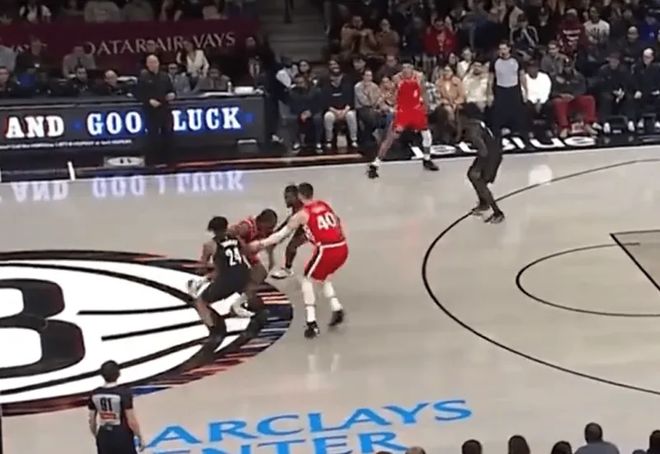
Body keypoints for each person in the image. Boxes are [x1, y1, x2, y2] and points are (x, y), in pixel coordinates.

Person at [254, 183, 347, 339]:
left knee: (306, 280)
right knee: (322, 277)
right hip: (342, 246)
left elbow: (280, 235)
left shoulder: (302, 214)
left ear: (299, 196)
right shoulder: (324, 204)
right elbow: (336, 221)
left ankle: (311, 323)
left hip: (326, 250)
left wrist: (260, 244)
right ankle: (336, 308)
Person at [367, 59, 439, 179]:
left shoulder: (419, 77)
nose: (406, 70)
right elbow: (391, 92)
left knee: (427, 135)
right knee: (391, 137)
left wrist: (426, 106)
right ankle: (375, 164)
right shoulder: (397, 78)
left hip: (416, 110)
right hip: (403, 112)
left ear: (412, 68)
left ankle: (427, 159)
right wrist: (382, 99)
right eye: (404, 67)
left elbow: (423, 92)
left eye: (408, 67)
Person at [190, 216, 252, 334]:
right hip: (244, 275)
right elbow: (245, 251)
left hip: (227, 280)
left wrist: (203, 269)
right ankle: (239, 304)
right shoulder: (236, 238)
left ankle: (213, 330)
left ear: (212, 230)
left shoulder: (210, 245)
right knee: (221, 270)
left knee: (201, 302)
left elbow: (202, 267)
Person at [88, 360, 144, 454]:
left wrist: (96, 435)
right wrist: (139, 436)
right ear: (118, 374)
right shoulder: (123, 393)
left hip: (104, 433)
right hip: (121, 434)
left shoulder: (95, 394)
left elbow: (91, 419)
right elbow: (131, 420)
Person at [462, 104, 505, 224]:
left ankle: (497, 212)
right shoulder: (478, 123)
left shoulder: (472, 129)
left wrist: (478, 168)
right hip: (494, 151)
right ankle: (483, 203)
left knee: (477, 178)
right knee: (474, 177)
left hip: (491, 155)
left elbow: (483, 151)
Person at [228, 209, 278, 300]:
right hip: (234, 251)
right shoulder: (246, 227)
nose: (270, 229)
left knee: (261, 272)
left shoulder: (264, 230)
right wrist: (244, 247)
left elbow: (270, 245)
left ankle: (246, 290)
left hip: (247, 252)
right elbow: (230, 235)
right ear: (262, 222)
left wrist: (271, 259)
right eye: (269, 227)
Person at [136, 54, 175, 166]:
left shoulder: (165, 76)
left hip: (165, 109)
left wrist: (172, 94)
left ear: (158, 63)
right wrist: (149, 100)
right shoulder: (143, 77)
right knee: (153, 137)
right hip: (151, 111)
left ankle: (168, 161)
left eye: (154, 62)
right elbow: (138, 93)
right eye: (150, 62)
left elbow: (171, 90)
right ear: (147, 64)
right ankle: (153, 162)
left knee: (168, 135)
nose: (153, 64)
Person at [271, 185, 306, 279]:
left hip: (312, 229)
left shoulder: (301, 209)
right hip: (305, 226)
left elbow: (291, 225)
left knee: (291, 247)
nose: (285, 200)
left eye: (287, 197)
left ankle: (288, 270)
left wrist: (278, 236)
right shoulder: (297, 205)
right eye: (285, 197)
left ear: (295, 197)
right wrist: (277, 232)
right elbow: (290, 219)